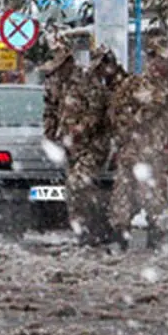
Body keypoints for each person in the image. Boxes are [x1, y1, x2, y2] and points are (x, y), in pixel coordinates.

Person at [109, 28, 168, 250]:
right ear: (152, 59)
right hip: (139, 151)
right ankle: (123, 239)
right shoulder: (143, 85)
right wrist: (127, 136)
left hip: (154, 152)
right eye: (163, 59)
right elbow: (123, 114)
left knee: (153, 199)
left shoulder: (165, 86)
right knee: (130, 197)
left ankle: (153, 240)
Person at [60, 45, 124, 247]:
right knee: (77, 187)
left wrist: (78, 130)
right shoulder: (84, 84)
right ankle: (85, 229)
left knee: (79, 184)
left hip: (94, 146)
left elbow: (95, 117)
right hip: (78, 147)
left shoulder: (102, 88)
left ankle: (92, 228)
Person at [40, 42, 75, 145]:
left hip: (79, 140)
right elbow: (50, 110)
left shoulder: (83, 81)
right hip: (60, 139)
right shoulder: (53, 83)